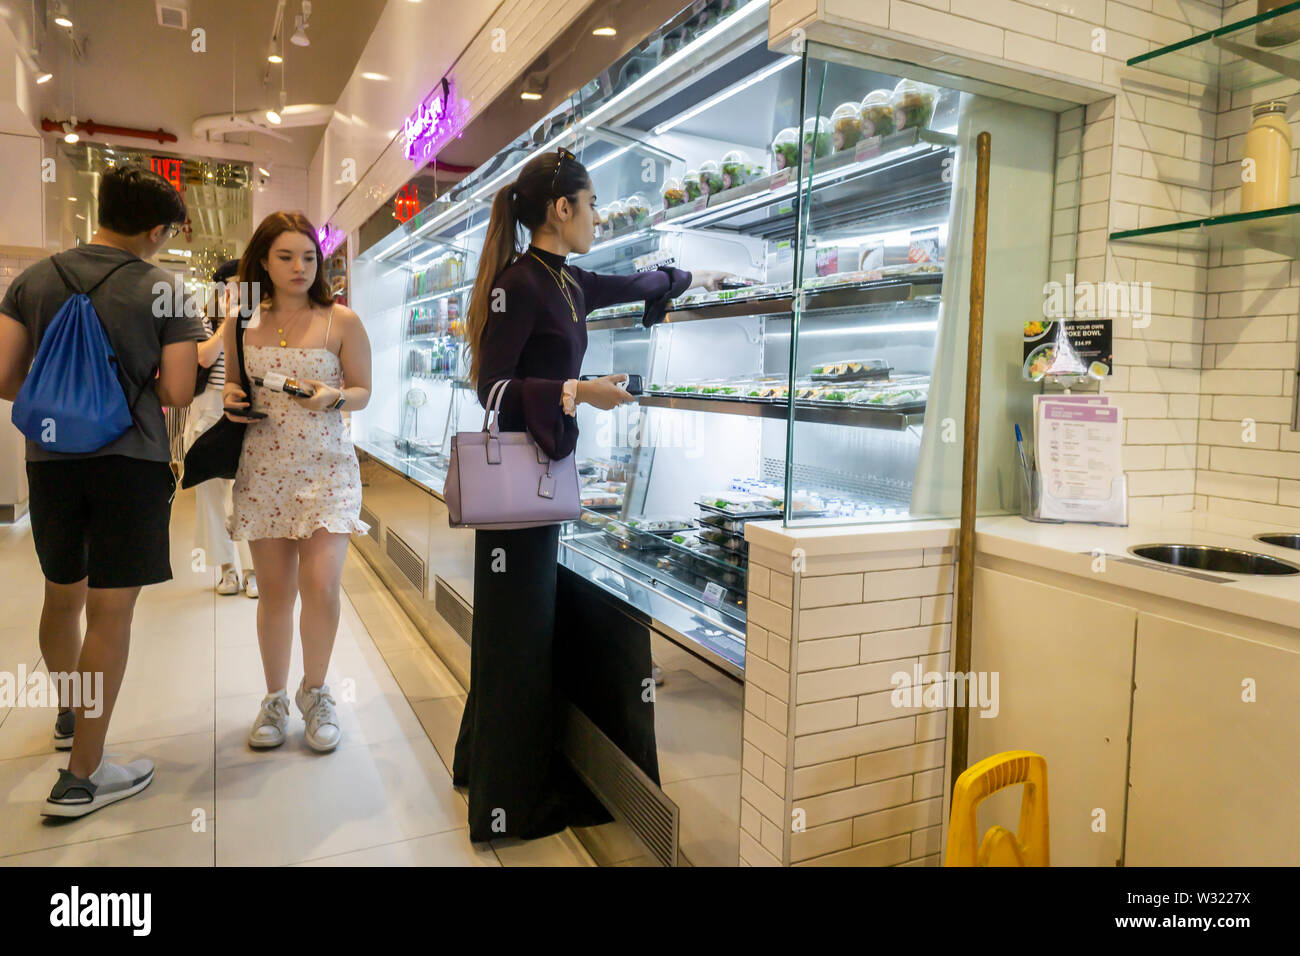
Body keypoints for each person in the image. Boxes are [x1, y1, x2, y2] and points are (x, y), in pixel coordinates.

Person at [452, 148, 730, 841]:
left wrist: (689, 275)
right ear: (561, 209)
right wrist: (580, 393)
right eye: (594, 203)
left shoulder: (569, 281)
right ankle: (506, 805)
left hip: (543, 486)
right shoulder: (520, 283)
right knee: (517, 641)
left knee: (520, 637)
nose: (600, 216)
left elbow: (634, 281)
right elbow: (491, 386)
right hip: (518, 494)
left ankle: (485, 768)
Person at [0, 164, 200, 817]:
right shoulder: (163, 289)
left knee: (63, 597)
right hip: (130, 461)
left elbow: (5, 379)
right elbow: (174, 393)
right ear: (156, 228)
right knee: (110, 612)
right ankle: (83, 775)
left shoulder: (33, 280)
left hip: (51, 460)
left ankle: (70, 710)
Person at [222, 211, 371, 753]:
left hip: (328, 470)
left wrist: (331, 396)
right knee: (276, 594)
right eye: (286, 256)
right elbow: (233, 388)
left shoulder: (342, 322)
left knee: (323, 586)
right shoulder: (244, 318)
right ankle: (274, 698)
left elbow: (362, 391)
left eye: (309, 257)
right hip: (264, 469)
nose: (300, 267)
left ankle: (316, 691)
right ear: (263, 259)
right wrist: (232, 401)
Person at [184, 259, 257, 598]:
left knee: (247, 494)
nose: (238, 290)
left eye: (246, 283)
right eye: (232, 284)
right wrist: (228, 321)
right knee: (212, 497)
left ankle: (254, 569)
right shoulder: (204, 318)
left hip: (248, 410)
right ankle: (227, 569)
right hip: (210, 412)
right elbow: (202, 357)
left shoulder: (263, 318)